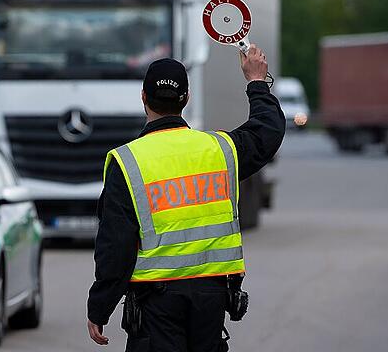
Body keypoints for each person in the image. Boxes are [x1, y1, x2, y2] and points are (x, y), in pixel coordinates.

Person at [86, 45, 285, 351]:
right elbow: (267, 131)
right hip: (211, 299)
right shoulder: (220, 150)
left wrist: (100, 306)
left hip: (155, 304)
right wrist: (257, 81)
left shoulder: (128, 162)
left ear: (143, 97)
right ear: (186, 98)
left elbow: (116, 245)